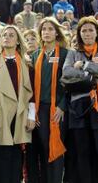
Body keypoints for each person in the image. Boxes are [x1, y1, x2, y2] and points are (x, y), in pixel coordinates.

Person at [62, 16, 98, 183]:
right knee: (82, 152)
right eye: (84, 30)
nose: (87, 33)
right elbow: (66, 73)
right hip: (78, 106)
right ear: (79, 33)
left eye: (91, 30)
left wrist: (83, 66)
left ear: (97, 32)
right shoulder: (73, 52)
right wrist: (91, 75)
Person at [0, 25, 36, 183]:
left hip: (20, 112)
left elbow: (32, 92)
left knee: (17, 153)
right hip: (0, 112)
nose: (7, 37)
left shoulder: (26, 62)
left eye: (11, 35)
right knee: (2, 153)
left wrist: (32, 116)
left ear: (18, 40)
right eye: (4, 35)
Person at [28, 17, 69, 183]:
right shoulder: (36, 55)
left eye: (50, 29)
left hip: (58, 109)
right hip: (40, 109)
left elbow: (68, 84)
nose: (46, 32)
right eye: (43, 29)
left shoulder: (66, 54)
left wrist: (62, 106)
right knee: (44, 147)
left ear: (57, 32)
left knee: (57, 147)